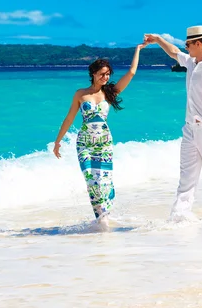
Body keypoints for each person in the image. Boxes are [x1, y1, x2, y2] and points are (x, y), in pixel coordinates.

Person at [144, 25, 202, 220]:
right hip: (189, 130)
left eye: (188, 44)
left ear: (197, 43)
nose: (185, 47)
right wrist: (159, 39)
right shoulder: (192, 62)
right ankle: (179, 216)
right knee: (186, 178)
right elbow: (174, 52)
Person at [52, 44, 146, 230]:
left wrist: (138, 49)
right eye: (102, 74)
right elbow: (70, 118)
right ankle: (100, 214)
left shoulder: (109, 92)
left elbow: (132, 73)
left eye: (108, 74)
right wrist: (58, 141)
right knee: (90, 179)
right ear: (93, 74)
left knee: (103, 180)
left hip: (104, 143)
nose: (106, 77)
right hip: (85, 143)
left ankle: (103, 217)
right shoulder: (81, 94)